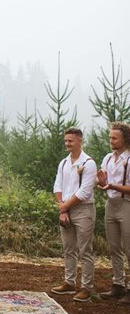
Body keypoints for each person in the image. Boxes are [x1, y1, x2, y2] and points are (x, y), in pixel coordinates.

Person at [51, 127, 97, 302]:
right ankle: (69, 282)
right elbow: (57, 185)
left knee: (85, 249)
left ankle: (87, 287)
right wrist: (62, 207)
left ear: (80, 141)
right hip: (65, 208)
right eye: (66, 140)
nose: (67, 143)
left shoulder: (88, 163)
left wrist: (64, 208)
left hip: (83, 210)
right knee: (68, 248)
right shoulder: (63, 163)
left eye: (70, 140)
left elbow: (85, 191)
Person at [97, 121, 130, 304]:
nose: (111, 140)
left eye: (114, 138)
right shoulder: (108, 158)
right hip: (111, 204)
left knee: (129, 248)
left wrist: (112, 185)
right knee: (114, 247)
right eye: (110, 137)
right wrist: (101, 181)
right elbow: (103, 180)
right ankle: (118, 284)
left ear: (124, 138)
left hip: (127, 204)